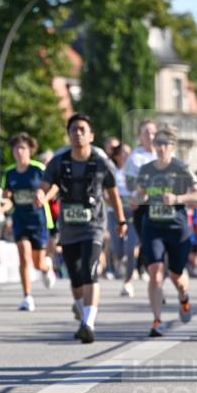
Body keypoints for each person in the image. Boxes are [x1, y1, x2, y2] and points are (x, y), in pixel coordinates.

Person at [40, 114, 126, 343]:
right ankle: (81, 310)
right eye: (73, 130)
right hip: (68, 229)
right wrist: (42, 195)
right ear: (68, 135)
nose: (77, 134)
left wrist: (121, 221)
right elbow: (47, 186)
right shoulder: (58, 162)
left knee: (90, 271)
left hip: (94, 226)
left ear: (91, 135)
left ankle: (89, 323)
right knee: (76, 278)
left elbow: (113, 194)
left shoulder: (101, 163)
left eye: (82, 129)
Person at [135, 125, 197, 336]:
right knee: (155, 273)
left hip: (177, 228)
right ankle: (157, 320)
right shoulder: (146, 170)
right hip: (153, 226)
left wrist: (178, 199)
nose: (161, 147)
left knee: (176, 276)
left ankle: (183, 297)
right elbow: (140, 194)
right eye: (158, 143)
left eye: (165, 144)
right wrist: (137, 200)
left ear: (172, 146)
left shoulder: (181, 168)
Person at [2, 133, 55, 311]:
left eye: (22, 148)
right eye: (16, 148)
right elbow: (7, 196)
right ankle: (27, 296)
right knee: (24, 256)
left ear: (30, 151)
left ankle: (47, 267)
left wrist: (44, 197)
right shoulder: (9, 172)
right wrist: (4, 204)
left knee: (38, 263)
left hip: (38, 219)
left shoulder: (38, 169)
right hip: (20, 219)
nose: (19, 151)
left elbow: (54, 186)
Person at [125, 118, 157, 280]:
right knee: (146, 239)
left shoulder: (164, 152)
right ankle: (143, 267)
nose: (150, 136)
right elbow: (129, 183)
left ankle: (154, 275)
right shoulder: (135, 158)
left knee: (159, 241)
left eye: (153, 133)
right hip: (142, 205)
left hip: (161, 205)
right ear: (140, 136)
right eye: (146, 133)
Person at [108, 143, 137, 296]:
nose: (126, 156)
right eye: (122, 153)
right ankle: (120, 261)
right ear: (116, 156)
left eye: (128, 153)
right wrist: (111, 200)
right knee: (118, 249)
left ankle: (128, 282)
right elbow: (104, 192)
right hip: (114, 213)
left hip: (132, 213)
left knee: (131, 248)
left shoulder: (136, 172)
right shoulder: (111, 171)